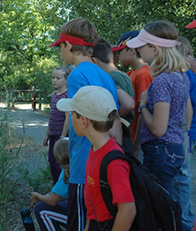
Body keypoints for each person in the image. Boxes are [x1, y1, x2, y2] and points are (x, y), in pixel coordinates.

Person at [49, 17, 119, 231]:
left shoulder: (77, 75)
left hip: (85, 165)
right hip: (104, 158)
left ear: (68, 45)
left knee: (80, 223)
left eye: (60, 46)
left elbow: (84, 121)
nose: (60, 52)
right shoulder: (104, 74)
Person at [126, 20, 192, 197]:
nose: (138, 51)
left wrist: (143, 106)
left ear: (155, 48)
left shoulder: (162, 81)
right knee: (170, 202)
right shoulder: (181, 76)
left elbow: (158, 129)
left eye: (141, 46)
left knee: (159, 206)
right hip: (175, 147)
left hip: (160, 151)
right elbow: (187, 114)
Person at [56, 86, 136, 231]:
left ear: (84, 121)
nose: (71, 119)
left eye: (73, 114)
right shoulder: (94, 150)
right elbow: (93, 203)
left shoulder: (114, 162)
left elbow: (128, 210)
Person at [112, 30, 153, 159]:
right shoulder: (130, 74)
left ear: (131, 50)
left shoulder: (144, 74)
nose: (117, 55)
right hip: (131, 134)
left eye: (119, 51)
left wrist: (137, 144)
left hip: (138, 138)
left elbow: (143, 109)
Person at [92, 37, 135, 154]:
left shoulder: (109, 78)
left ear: (94, 61)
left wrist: (115, 116)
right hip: (127, 134)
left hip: (120, 136)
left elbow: (128, 104)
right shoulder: (123, 75)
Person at [174, 36, 196, 231]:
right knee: (183, 177)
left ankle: (185, 221)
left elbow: (188, 106)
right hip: (187, 133)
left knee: (181, 178)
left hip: (184, 133)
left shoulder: (184, 75)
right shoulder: (187, 73)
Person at [31, 138, 69, 231]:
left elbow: (53, 200)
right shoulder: (80, 163)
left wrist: (37, 196)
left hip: (82, 219)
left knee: (41, 209)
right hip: (88, 212)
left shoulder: (67, 172)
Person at [43, 66, 70, 184]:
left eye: (58, 78)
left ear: (66, 80)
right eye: (53, 77)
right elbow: (52, 117)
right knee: (51, 160)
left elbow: (67, 118)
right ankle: (55, 186)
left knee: (60, 162)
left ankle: (63, 188)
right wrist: (47, 135)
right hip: (53, 134)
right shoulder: (54, 95)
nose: (54, 80)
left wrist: (63, 137)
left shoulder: (67, 96)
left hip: (61, 135)